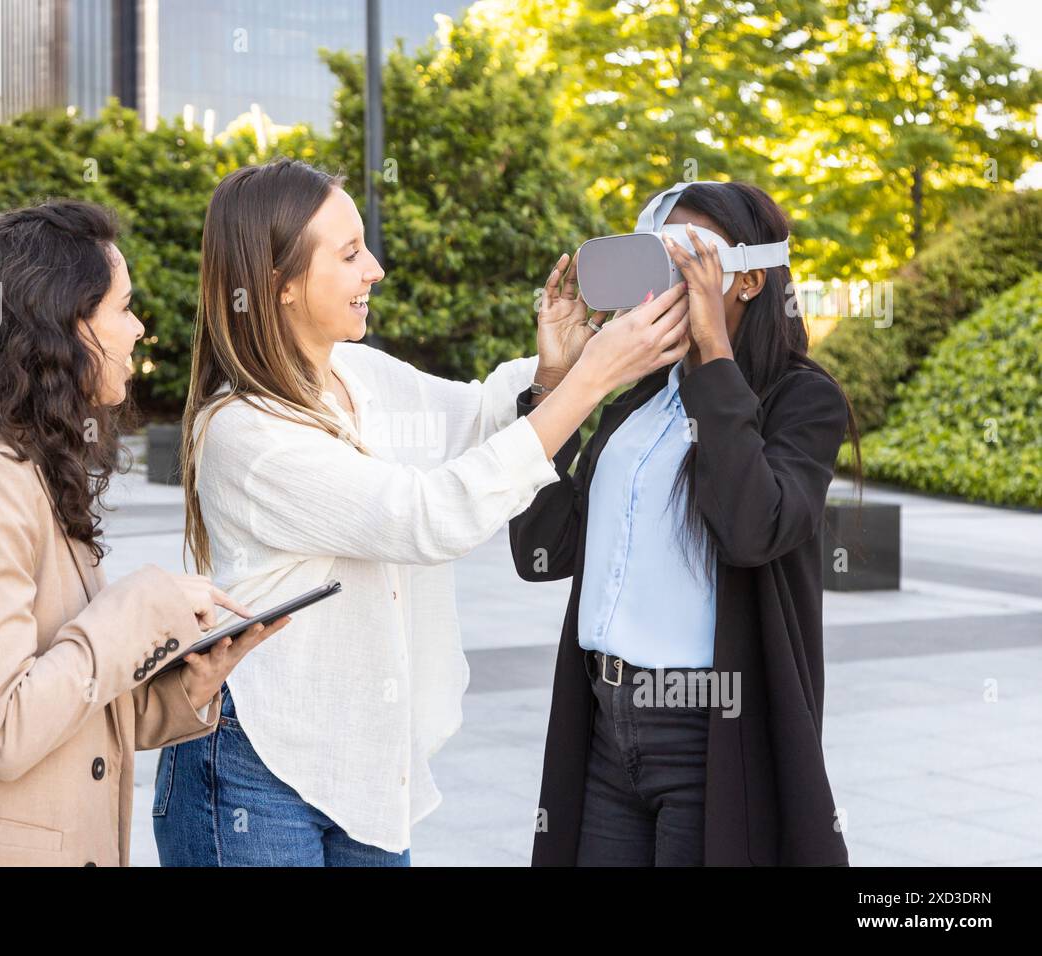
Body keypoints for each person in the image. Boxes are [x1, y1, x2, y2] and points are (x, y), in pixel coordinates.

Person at [151, 157, 692, 866]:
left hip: (368, 766)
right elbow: (425, 518)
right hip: (257, 763)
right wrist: (590, 385)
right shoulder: (243, 433)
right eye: (348, 254)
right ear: (278, 286)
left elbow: (472, 418)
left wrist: (555, 370)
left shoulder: (359, 374)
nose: (374, 268)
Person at [0, 199, 287, 866]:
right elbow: (6, 728)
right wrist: (140, 605)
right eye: (123, 308)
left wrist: (186, 687)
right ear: (62, 325)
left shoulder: (26, 466)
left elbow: (69, 705)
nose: (138, 330)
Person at [510, 180, 862, 866]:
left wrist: (710, 355)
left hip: (708, 733)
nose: (672, 279)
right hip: (605, 726)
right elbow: (541, 551)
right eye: (660, 260)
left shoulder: (800, 400)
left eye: (691, 259)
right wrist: (557, 381)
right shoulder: (633, 402)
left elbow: (751, 528)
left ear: (750, 280)